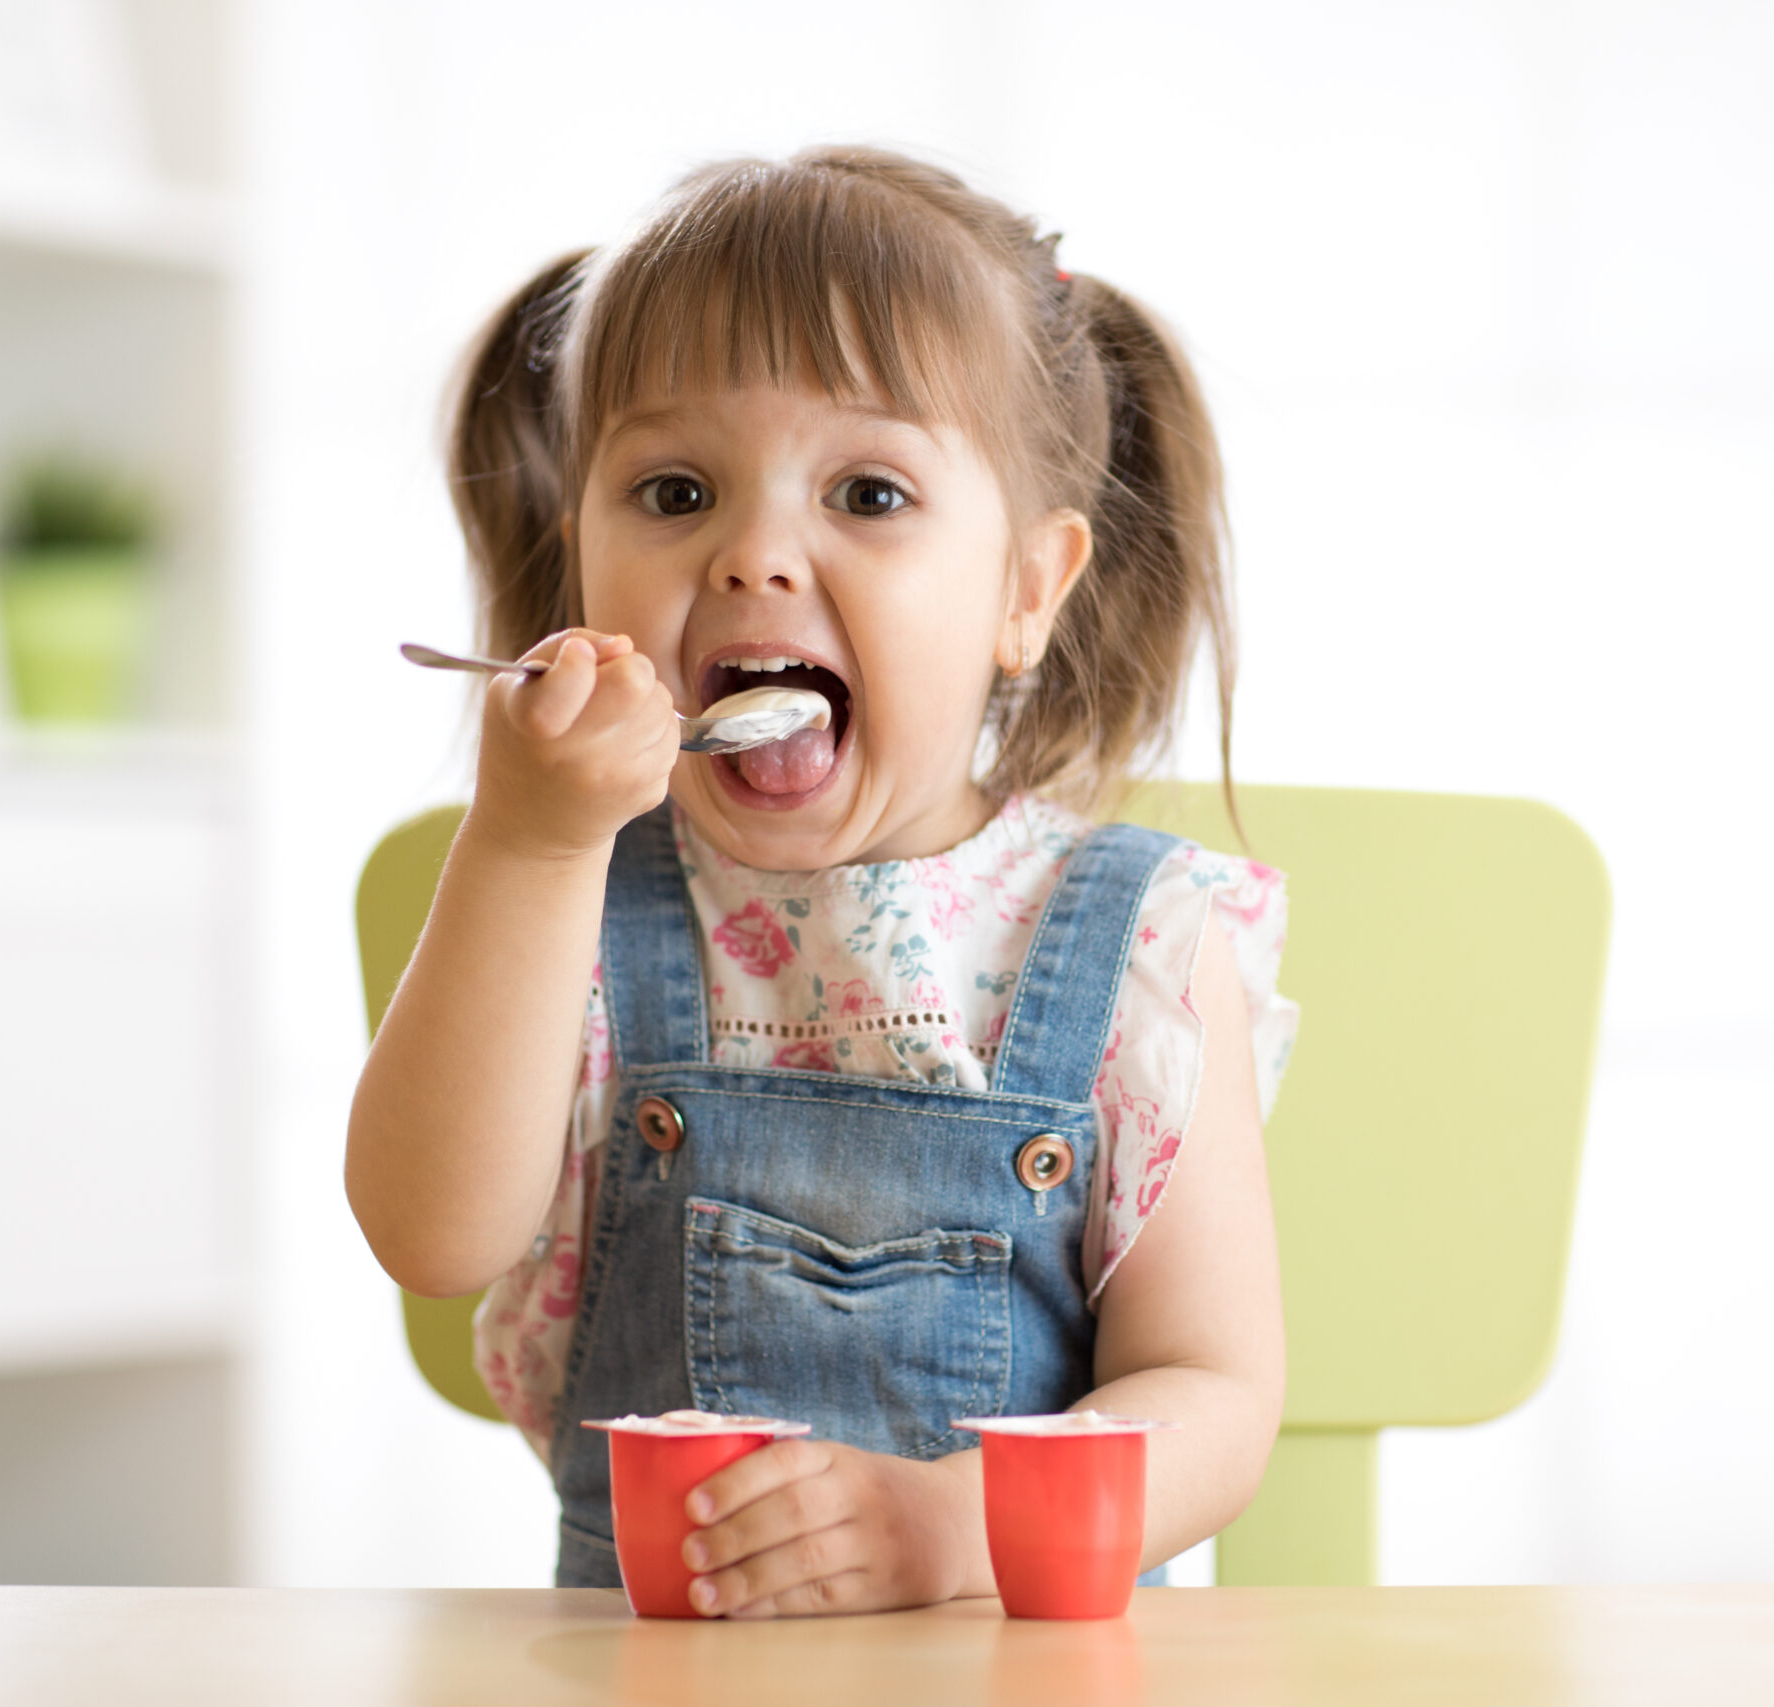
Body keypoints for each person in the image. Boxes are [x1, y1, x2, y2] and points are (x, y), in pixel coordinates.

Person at [348, 146, 1297, 1618]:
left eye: (866, 490)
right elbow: (431, 1233)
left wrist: (954, 1531)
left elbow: (1217, 1391)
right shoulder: (565, 908)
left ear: (1026, 590)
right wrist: (527, 846)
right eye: (673, 489)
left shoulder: (1142, 947)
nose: (752, 556)